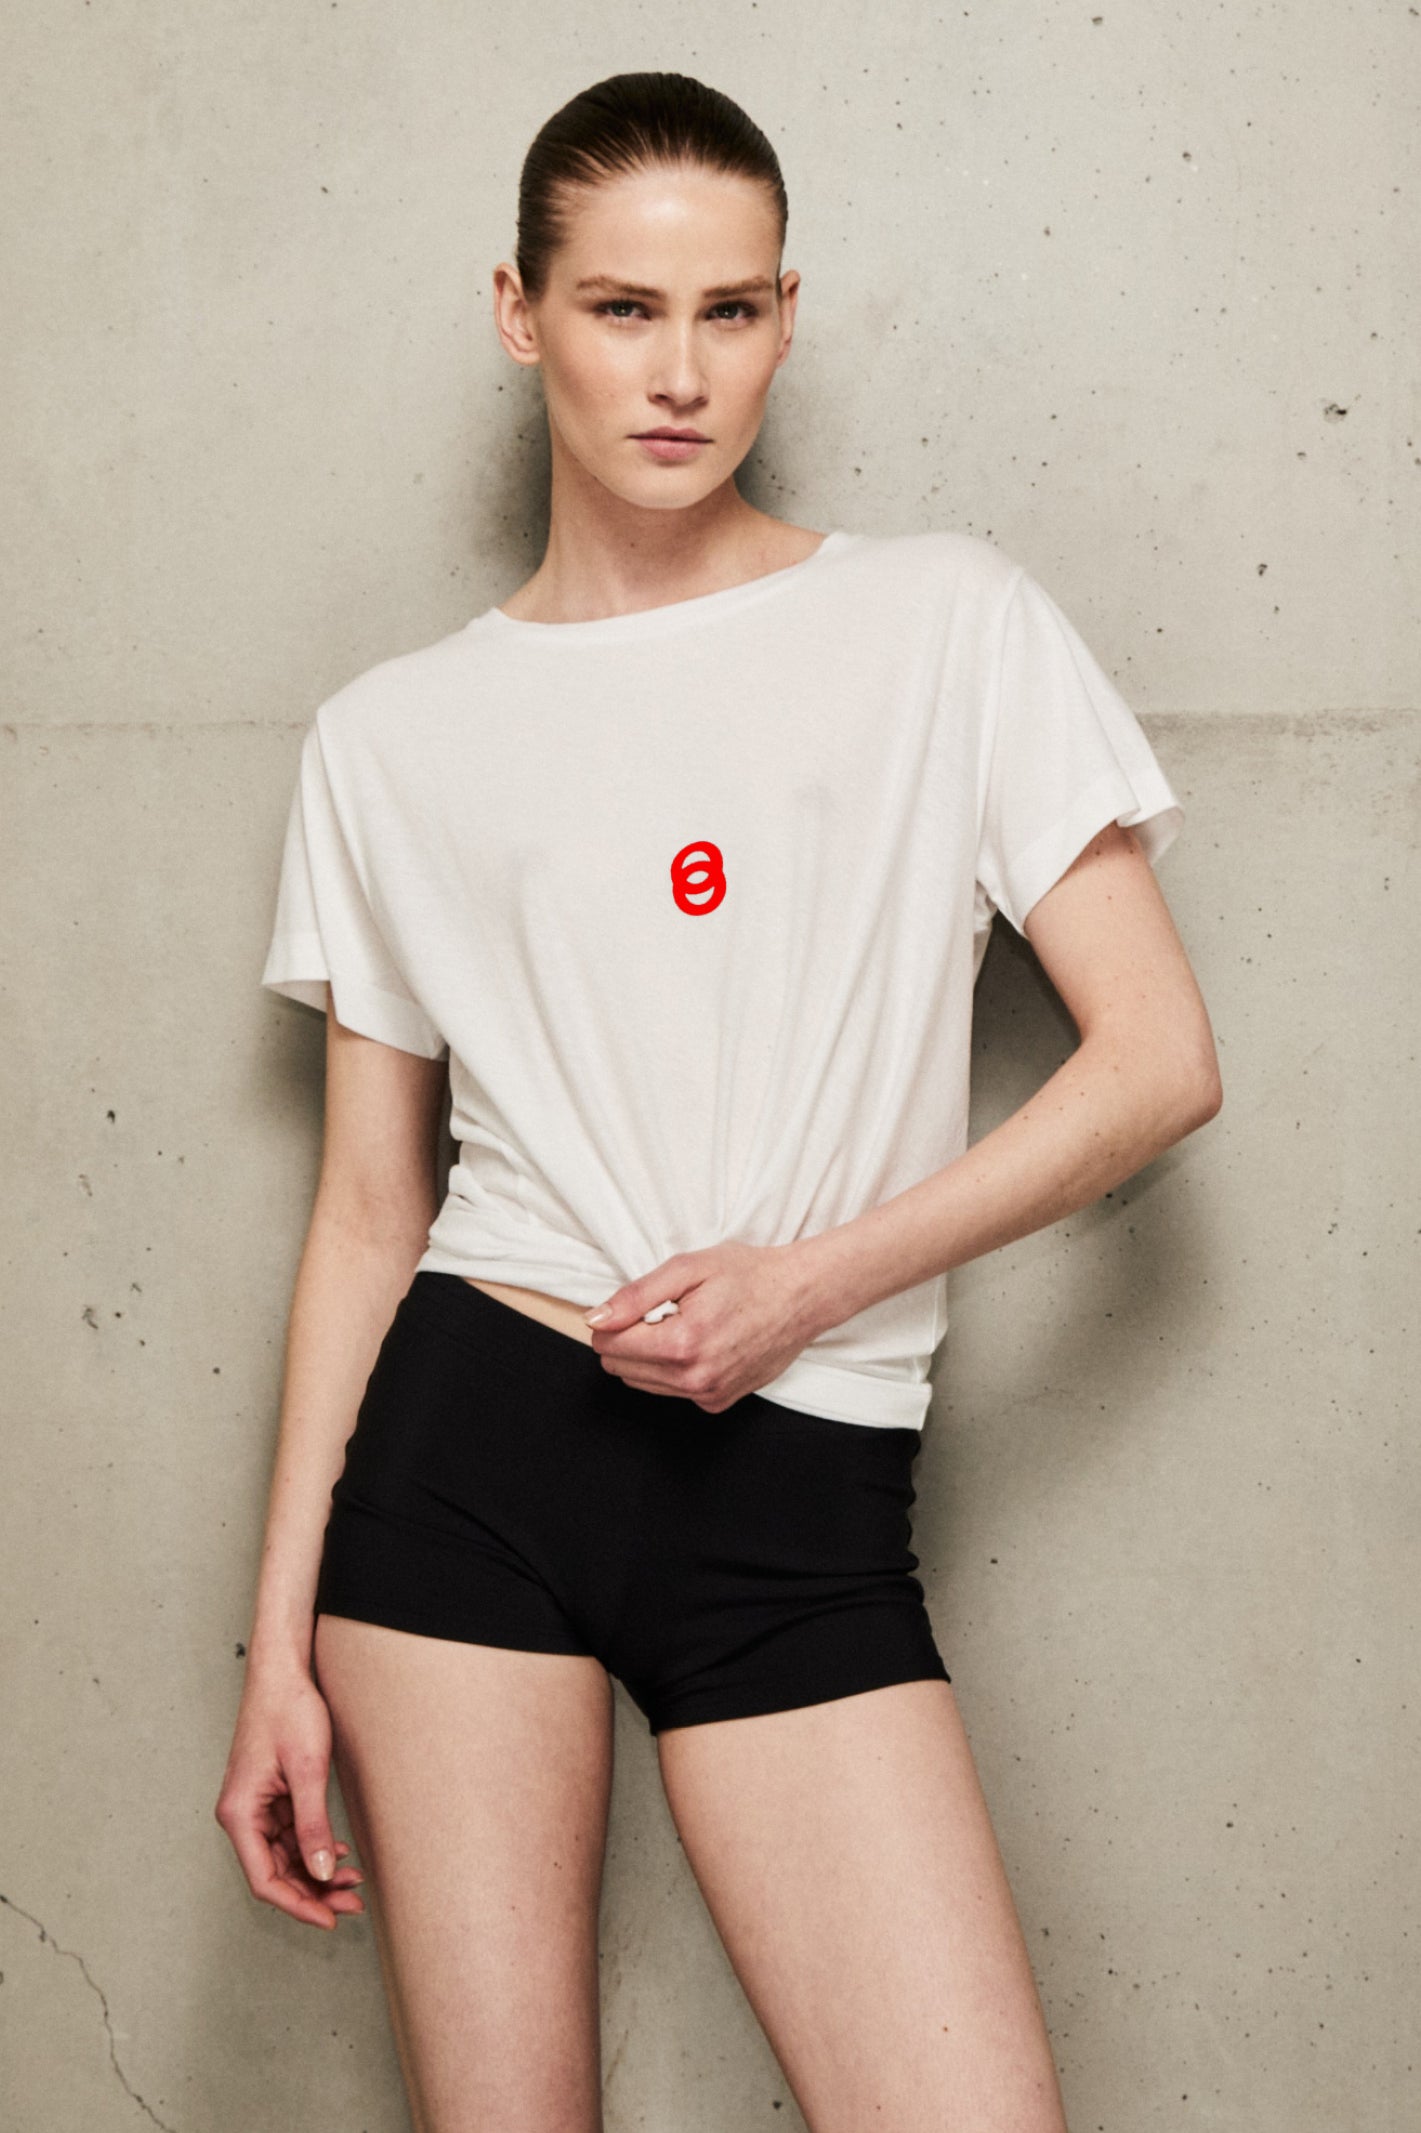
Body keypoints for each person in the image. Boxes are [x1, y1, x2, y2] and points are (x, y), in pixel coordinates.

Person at [215, 68, 1222, 2133]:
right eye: (621, 308)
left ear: (784, 315)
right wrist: (276, 1646)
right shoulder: (391, 737)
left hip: (799, 1485)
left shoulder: (945, 624)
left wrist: (809, 1281)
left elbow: (1157, 1062)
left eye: (730, 310)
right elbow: (369, 1211)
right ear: (521, 314)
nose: (680, 373)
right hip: (468, 1466)